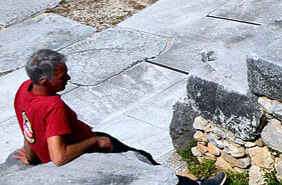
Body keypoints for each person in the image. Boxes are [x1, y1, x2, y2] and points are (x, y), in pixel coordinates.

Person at [11, 49, 227, 185]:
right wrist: (95, 141)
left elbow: (27, 127)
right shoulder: (52, 105)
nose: (68, 78)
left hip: (87, 140)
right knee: (145, 166)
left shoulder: (24, 90)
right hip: (94, 150)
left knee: (143, 155)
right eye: (61, 76)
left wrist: (30, 158)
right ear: (45, 82)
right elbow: (58, 157)